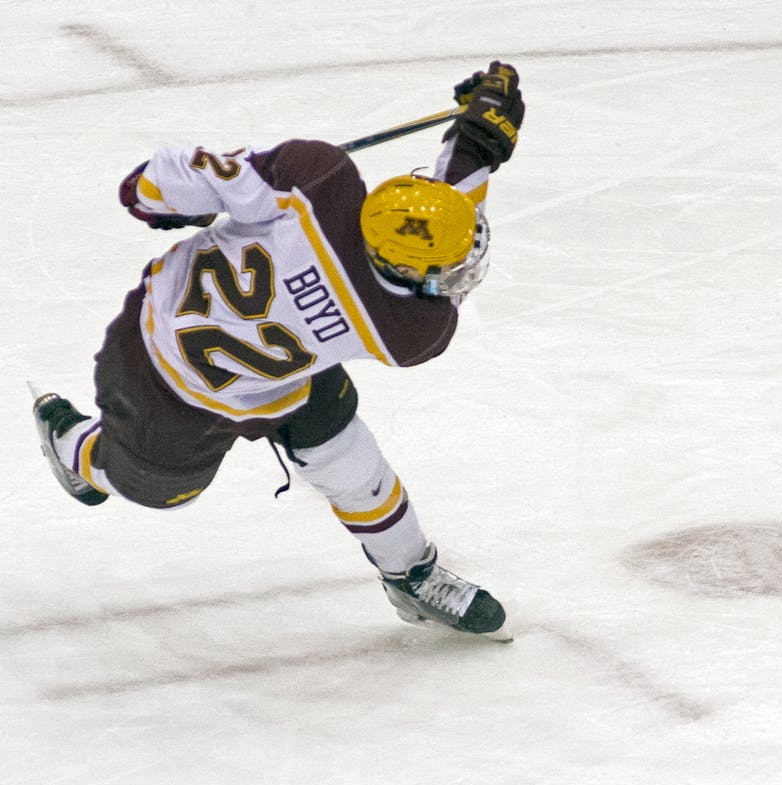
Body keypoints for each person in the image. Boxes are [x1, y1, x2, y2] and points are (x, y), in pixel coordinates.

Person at [30, 62, 525, 641]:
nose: (462, 275)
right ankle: (73, 445)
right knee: (145, 487)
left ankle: (411, 576)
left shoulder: (319, 178)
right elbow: (437, 241)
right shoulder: (407, 328)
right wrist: (476, 148)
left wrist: (160, 195)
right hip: (165, 373)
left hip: (267, 373)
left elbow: (155, 183)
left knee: (349, 458)